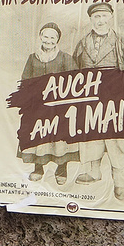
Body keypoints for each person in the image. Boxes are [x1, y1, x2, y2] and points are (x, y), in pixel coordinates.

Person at [71, 1, 124, 191]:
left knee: (117, 139)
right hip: (91, 99)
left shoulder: (123, 42)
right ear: (91, 19)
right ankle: (94, 172)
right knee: (91, 135)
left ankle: (119, 182)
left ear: (111, 17)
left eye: (104, 16)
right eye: (96, 17)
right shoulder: (83, 43)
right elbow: (73, 68)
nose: (100, 21)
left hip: (116, 99)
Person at [19, 22, 79, 186]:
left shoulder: (65, 58)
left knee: (59, 138)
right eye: (45, 36)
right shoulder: (33, 57)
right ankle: (38, 168)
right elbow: (25, 79)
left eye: (52, 37)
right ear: (40, 37)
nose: (48, 40)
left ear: (58, 39)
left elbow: (75, 80)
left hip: (59, 106)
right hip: (37, 105)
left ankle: (62, 170)